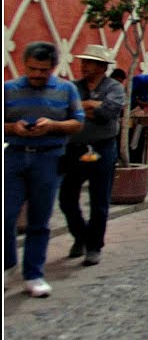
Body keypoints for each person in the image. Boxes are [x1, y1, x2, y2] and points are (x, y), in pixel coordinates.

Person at [4, 42, 85, 297]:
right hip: (15, 156)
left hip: (49, 158)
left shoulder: (66, 89)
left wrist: (52, 126)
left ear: (53, 67)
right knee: (6, 215)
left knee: (40, 219)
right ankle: (7, 265)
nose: (37, 74)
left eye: (43, 70)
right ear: (23, 64)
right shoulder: (9, 89)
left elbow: (77, 123)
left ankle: (34, 274)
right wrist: (12, 128)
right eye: (32, 69)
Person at [58, 44, 126, 267]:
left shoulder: (114, 87)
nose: (83, 65)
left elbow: (108, 113)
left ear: (101, 66)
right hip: (75, 148)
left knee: (99, 200)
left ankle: (94, 246)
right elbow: (65, 112)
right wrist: (90, 106)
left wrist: (84, 108)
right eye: (83, 61)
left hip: (102, 148)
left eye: (89, 62)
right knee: (67, 198)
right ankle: (81, 235)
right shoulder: (72, 87)